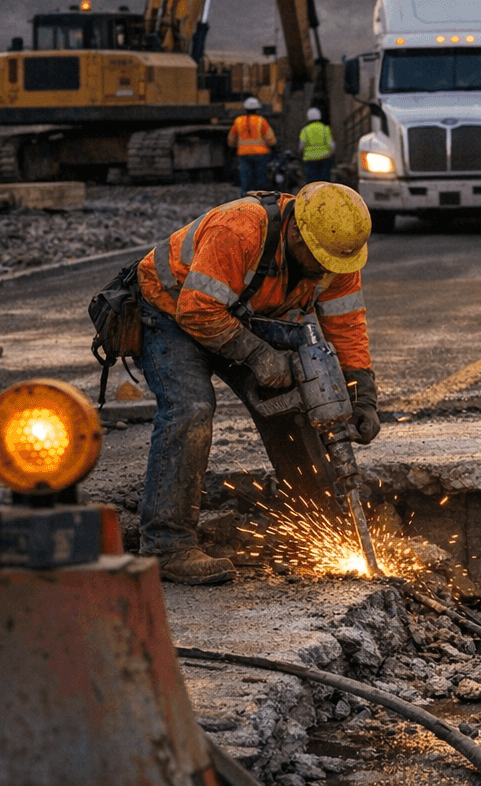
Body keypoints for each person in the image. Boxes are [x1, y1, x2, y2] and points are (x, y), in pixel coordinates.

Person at [134, 181, 380, 585]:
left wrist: (363, 396)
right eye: (317, 260)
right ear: (297, 231)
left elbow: (347, 328)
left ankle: (321, 532)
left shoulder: (338, 257)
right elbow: (197, 310)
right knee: (191, 408)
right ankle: (166, 545)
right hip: (171, 311)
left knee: (295, 406)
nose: (324, 272)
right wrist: (258, 355)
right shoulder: (240, 230)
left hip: (241, 316)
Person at [227, 97, 276, 194]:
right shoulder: (261, 121)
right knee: (260, 178)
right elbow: (271, 140)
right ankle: (260, 199)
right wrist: (273, 146)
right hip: (261, 155)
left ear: (245, 109)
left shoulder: (238, 121)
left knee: (246, 179)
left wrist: (232, 147)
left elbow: (231, 139)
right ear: (257, 109)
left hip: (244, 155)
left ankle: (246, 199)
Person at [299, 106, 335, 185]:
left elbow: (302, 146)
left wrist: (301, 155)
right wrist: (331, 154)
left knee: (312, 184)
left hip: (310, 160)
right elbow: (331, 145)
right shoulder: (325, 128)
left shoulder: (305, 130)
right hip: (325, 158)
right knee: (324, 183)